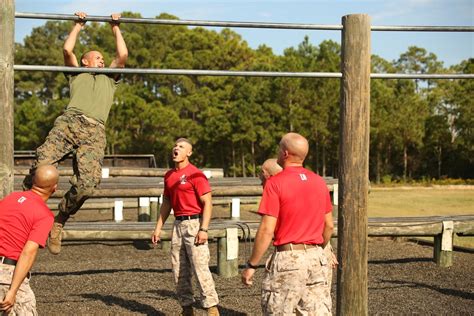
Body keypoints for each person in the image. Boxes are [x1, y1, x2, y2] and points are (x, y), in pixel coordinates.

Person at [22, 12, 128, 255]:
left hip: (94, 130)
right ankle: (26, 212)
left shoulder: (110, 79)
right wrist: (78, 26)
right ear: (85, 62)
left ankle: (60, 219)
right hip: (69, 123)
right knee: (41, 165)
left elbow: (122, 55)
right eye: (97, 58)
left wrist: (115, 28)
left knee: (88, 185)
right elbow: (67, 50)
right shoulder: (76, 74)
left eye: (103, 59)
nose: (102, 61)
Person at [241, 132, 335, 315]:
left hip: (289, 258)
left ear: (284, 153)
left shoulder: (275, 183)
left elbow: (267, 229)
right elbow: (329, 226)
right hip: (317, 258)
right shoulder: (319, 182)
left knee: (278, 310)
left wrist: (252, 265)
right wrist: (317, 248)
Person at [152, 138, 219, 316]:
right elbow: (166, 202)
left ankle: (211, 308)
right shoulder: (169, 175)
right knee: (179, 269)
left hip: (194, 224)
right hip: (177, 225)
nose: (176, 148)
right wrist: (158, 227)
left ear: (189, 153)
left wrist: (203, 229)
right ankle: (186, 308)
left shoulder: (196, 174)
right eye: (175, 146)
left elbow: (208, 203)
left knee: (200, 267)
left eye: (181, 147)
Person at [0, 165, 59, 314]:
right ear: (55, 188)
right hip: (7, 274)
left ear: (33, 180)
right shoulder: (44, 215)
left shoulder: (10, 198)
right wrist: (13, 291)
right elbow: (28, 252)